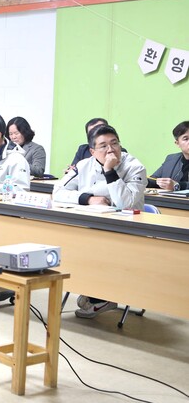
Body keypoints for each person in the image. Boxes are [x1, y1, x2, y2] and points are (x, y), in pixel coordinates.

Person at [53, 124, 147, 319]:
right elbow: (58, 192)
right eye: (103, 146)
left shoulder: (135, 166)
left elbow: (125, 203)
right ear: (92, 151)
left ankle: (104, 294)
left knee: (99, 246)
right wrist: (87, 199)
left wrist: (109, 171)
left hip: (126, 232)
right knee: (68, 242)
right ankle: (93, 291)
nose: (110, 150)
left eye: (114, 143)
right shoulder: (83, 165)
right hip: (91, 227)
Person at [146, 121, 189, 192]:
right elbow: (154, 180)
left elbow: (175, 185)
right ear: (177, 143)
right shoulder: (171, 159)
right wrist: (138, 179)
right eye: (186, 139)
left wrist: (177, 185)